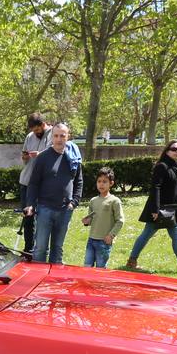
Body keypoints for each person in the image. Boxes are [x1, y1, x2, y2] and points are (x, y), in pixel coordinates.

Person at [123, 142, 177, 274]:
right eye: (174, 149)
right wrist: (155, 209)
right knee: (146, 234)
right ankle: (132, 261)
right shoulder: (162, 166)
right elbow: (155, 188)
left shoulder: (176, 167)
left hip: (173, 209)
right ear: (167, 150)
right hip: (160, 210)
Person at [23, 122, 83, 265]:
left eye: (62, 136)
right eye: (56, 136)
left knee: (57, 249)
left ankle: (53, 283)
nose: (59, 139)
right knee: (40, 248)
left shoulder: (74, 157)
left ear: (68, 137)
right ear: (52, 137)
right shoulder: (43, 157)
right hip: (45, 209)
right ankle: (37, 281)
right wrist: (30, 205)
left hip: (65, 209)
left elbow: (79, 182)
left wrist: (74, 202)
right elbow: (33, 183)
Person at [19, 114, 53, 254]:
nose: (35, 133)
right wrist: (25, 156)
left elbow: (53, 154)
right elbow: (24, 158)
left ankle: (41, 249)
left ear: (43, 124)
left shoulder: (53, 134)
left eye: (37, 130)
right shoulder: (29, 137)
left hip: (43, 184)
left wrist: (39, 155)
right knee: (28, 216)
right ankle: (28, 248)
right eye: (33, 130)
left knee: (43, 218)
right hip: (26, 181)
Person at [82, 166, 123, 269]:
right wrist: (86, 222)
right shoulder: (93, 201)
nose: (101, 184)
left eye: (105, 181)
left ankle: (99, 285)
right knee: (87, 267)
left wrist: (111, 235)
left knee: (100, 269)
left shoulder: (114, 201)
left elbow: (120, 221)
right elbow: (91, 219)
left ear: (111, 183)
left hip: (104, 242)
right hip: (91, 240)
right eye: (99, 181)